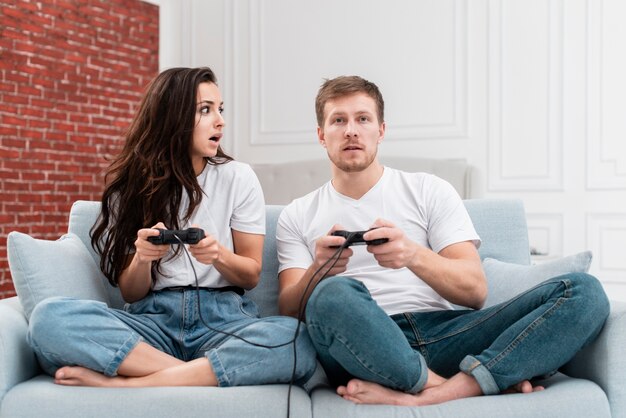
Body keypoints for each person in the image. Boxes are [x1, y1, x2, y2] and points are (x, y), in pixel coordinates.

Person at [276, 75, 609, 406]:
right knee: (332, 295)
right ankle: (465, 384)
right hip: (359, 346)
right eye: (338, 121)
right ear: (321, 135)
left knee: (583, 291)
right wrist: (319, 270)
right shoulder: (297, 214)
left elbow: (475, 291)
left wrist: (412, 255)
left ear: (381, 130)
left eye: (363, 118)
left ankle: (431, 393)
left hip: (444, 334)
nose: (351, 130)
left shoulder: (428, 190)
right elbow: (290, 312)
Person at [26, 67, 316, 389]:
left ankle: (133, 384)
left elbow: (250, 274)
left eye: (220, 109)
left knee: (296, 340)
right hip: (152, 322)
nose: (220, 121)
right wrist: (143, 258)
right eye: (205, 110)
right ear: (172, 116)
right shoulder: (131, 187)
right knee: (48, 319)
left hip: (223, 320)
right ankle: (196, 375)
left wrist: (218, 255)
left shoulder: (238, 177)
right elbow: (131, 292)